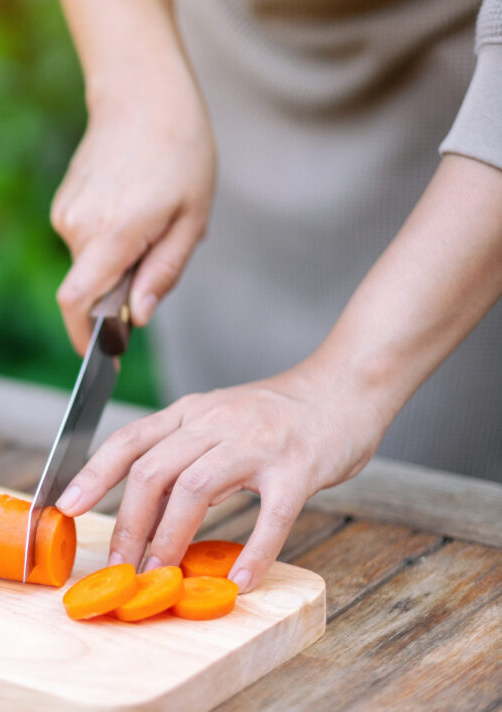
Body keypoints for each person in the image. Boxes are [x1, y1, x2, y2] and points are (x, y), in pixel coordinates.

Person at [50, 0, 502, 593]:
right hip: (219, 103)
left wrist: (347, 383)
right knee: (204, 470)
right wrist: (131, 87)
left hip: (466, 191)